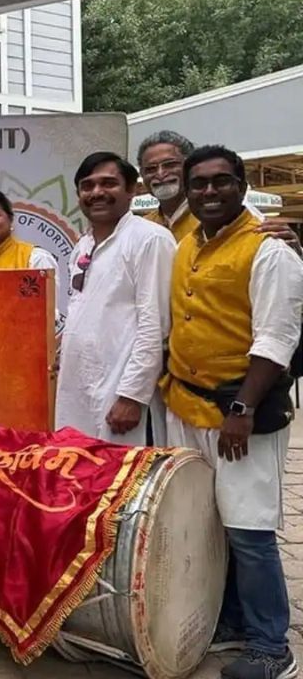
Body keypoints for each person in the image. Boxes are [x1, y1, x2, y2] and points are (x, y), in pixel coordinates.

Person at [159, 145, 303, 679]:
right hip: (188, 407)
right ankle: (233, 623)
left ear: (241, 185)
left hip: (241, 415)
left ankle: (273, 648)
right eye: (199, 184)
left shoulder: (270, 249)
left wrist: (242, 408)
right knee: (210, 524)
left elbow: (276, 337)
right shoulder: (188, 245)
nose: (209, 192)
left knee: (250, 528)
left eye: (221, 182)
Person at [56, 152, 175, 447]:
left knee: (125, 484)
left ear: (131, 190)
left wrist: (132, 396)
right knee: (80, 476)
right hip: (78, 390)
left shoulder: (150, 239)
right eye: (88, 185)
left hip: (121, 396)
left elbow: (155, 325)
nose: (96, 192)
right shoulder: (83, 245)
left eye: (108, 183)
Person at [137, 130, 298, 251]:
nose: (160, 174)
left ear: (190, 168)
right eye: (150, 169)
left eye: (170, 165)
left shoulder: (228, 214)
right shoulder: (144, 225)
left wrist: (293, 250)